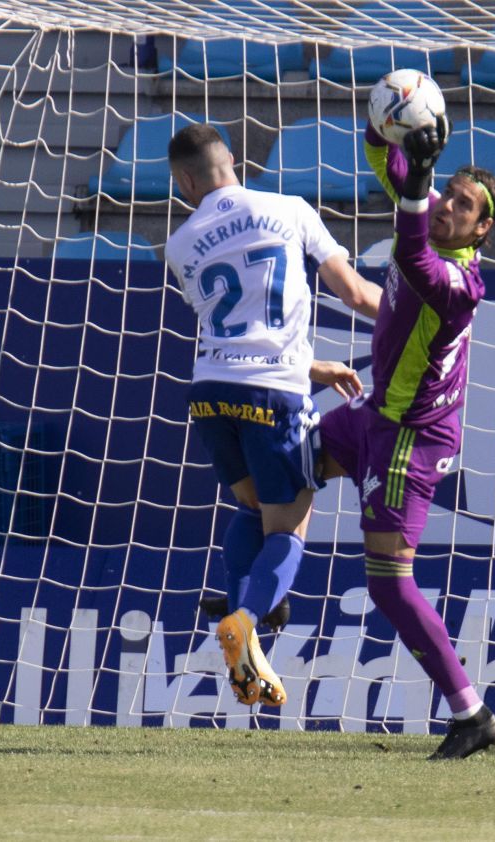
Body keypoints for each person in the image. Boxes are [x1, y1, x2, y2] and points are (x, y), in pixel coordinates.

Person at [165, 123, 381, 708]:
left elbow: (238, 336)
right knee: (288, 526)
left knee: (252, 505)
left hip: (209, 392)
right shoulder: (289, 207)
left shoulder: (181, 245)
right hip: (274, 398)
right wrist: (418, 322)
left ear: (185, 181)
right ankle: (245, 620)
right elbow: (357, 295)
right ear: (232, 161)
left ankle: (245, 643)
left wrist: (315, 365)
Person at [317, 114, 495, 759]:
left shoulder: (460, 284)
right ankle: (260, 598)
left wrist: (417, 184)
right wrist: (384, 118)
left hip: (412, 440)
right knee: (286, 460)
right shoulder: (425, 217)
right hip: (373, 415)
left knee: (390, 584)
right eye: (448, 194)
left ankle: (471, 713)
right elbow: (382, 159)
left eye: (465, 206)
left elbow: (411, 253)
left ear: (483, 229)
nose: (449, 206)